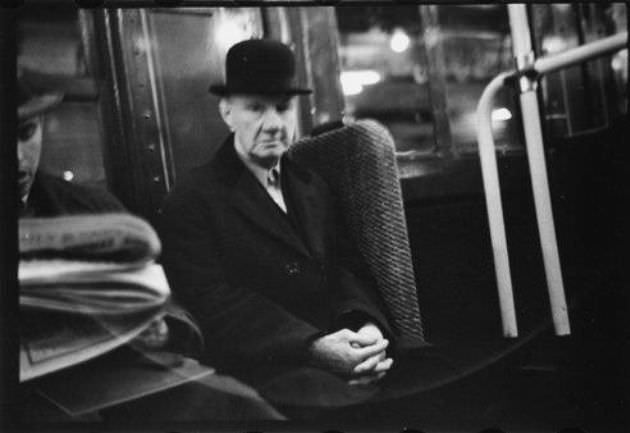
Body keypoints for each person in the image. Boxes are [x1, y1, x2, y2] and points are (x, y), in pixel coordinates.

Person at [157, 40, 458, 417]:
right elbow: (214, 306)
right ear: (227, 113)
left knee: (444, 374)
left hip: (343, 343)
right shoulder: (192, 198)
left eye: (283, 107)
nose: (273, 124)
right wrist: (312, 347)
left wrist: (365, 328)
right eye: (256, 108)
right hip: (271, 364)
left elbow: (346, 269)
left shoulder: (311, 185)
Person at [15, 73, 283, 423]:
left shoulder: (88, 207)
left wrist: (161, 327)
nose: (17, 158)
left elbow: (166, 300)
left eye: (25, 133)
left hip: (113, 377)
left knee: (242, 409)